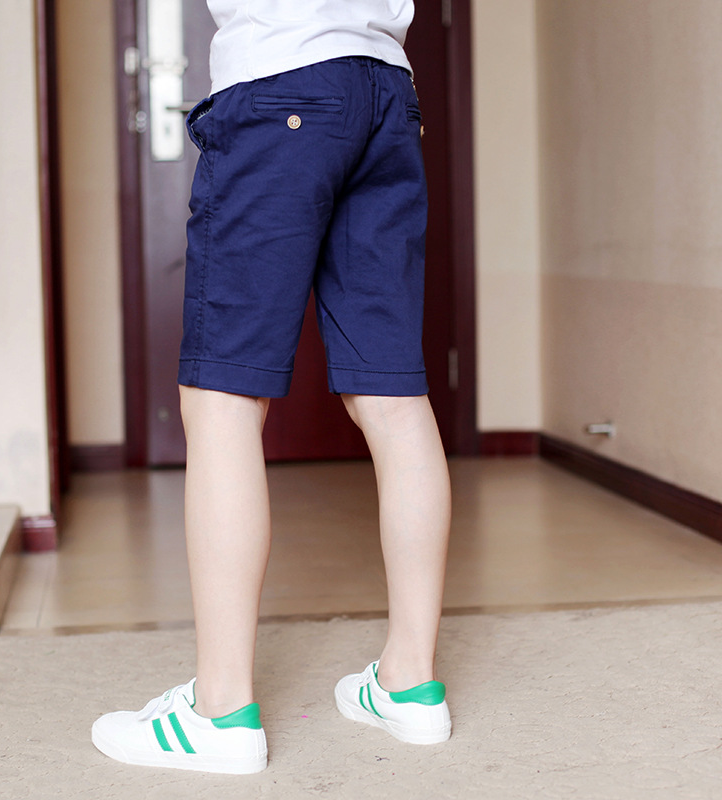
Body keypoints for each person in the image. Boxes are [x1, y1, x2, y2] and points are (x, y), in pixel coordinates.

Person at [91, 0, 452, 774]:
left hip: (282, 80)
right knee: (393, 396)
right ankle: (412, 682)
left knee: (222, 397)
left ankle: (221, 712)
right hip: (386, 91)